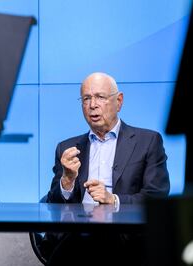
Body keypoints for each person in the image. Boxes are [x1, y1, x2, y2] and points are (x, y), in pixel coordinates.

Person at [41, 72, 170, 265]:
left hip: (126, 238)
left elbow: (157, 196)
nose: (92, 105)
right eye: (86, 98)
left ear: (119, 101)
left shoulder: (148, 141)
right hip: (77, 238)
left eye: (100, 97)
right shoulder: (67, 148)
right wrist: (67, 180)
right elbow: (53, 204)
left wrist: (113, 200)